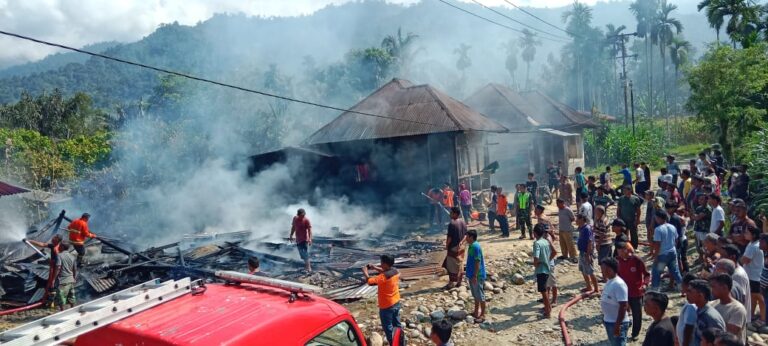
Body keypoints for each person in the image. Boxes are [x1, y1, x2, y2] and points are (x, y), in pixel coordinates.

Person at [363, 254, 401, 345]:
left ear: (385, 264)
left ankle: (393, 343)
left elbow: (370, 282)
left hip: (386, 305)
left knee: (388, 327)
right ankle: (401, 340)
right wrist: (374, 267)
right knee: (397, 324)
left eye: (381, 263)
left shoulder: (383, 277)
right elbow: (385, 271)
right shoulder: (395, 271)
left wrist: (365, 272)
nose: (380, 264)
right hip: (396, 301)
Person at [617, 241, 649, 340]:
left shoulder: (637, 260)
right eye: (618, 251)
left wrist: (645, 285)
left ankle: (635, 333)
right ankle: (624, 329)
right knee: (622, 311)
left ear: (627, 250)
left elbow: (647, 274)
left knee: (637, 314)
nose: (620, 253)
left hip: (636, 293)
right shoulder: (617, 261)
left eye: (622, 251)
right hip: (623, 293)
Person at [709, 273, 748, 345]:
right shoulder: (712, 304)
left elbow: (729, 336)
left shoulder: (737, 309)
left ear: (724, 287)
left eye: (713, 287)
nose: (711, 290)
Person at [650, 210, 683, 291]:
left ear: (658, 218)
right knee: (675, 272)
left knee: (657, 273)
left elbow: (658, 244)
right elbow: (676, 240)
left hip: (662, 255)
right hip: (672, 252)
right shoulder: (672, 227)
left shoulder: (658, 229)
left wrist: (655, 255)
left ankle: (655, 290)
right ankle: (682, 289)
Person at [686, 280, 726, 346]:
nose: (686, 294)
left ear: (700, 295)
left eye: (690, 291)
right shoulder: (698, 310)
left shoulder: (711, 317)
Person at [600, 257, 629, 346]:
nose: (602, 271)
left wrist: (617, 325)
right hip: (609, 321)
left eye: (604, 269)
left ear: (611, 269)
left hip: (616, 323)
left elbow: (623, 306)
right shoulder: (610, 281)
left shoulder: (619, 284)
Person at [714, 256, 752, 323]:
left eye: (716, 269)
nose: (714, 271)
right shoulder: (734, 283)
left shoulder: (726, 288)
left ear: (724, 271)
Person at [740, 225, 764, 326]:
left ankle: (763, 319)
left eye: (746, 233)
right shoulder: (753, 243)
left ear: (753, 235)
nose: (744, 234)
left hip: (755, 276)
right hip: (753, 275)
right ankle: (751, 314)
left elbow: (745, 260)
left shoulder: (754, 246)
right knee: (753, 296)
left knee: (759, 298)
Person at [465, 230, 487, 323]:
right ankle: (476, 311)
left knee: (480, 295)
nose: (466, 238)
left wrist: (474, 275)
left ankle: (483, 314)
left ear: (471, 237)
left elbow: (477, 261)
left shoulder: (475, 246)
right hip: (472, 274)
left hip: (477, 275)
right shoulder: (471, 246)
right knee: (475, 295)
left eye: (467, 236)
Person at [533, 224, 554, 318]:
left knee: (544, 292)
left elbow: (536, 257)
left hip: (541, 270)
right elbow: (553, 252)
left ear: (535, 233)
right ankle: (548, 309)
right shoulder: (545, 241)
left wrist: (536, 264)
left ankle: (547, 311)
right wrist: (547, 260)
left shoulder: (537, 243)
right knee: (545, 290)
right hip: (547, 268)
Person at [443, 207, 467, 289]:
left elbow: (449, 237)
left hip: (454, 247)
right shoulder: (463, 221)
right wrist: (461, 242)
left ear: (455, 214)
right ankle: (459, 281)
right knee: (460, 263)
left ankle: (451, 283)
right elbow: (466, 235)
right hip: (462, 247)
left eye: (451, 212)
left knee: (451, 265)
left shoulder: (452, 223)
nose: (450, 214)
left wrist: (446, 245)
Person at [577, 214, 598, 293]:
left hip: (586, 253)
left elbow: (590, 242)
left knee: (590, 271)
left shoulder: (587, 229)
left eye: (577, 219)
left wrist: (588, 255)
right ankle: (588, 287)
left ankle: (596, 289)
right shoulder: (581, 228)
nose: (576, 221)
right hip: (582, 252)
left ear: (581, 219)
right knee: (583, 270)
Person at [667, 202, 689, 274]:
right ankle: (682, 273)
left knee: (677, 259)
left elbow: (674, 233)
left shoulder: (674, 218)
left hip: (678, 241)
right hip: (681, 239)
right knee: (681, 258)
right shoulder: (676, 217)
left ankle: (680, 274)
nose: (667, 210)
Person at [54, 243, 77, 311]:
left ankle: (62, 312)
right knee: (72, 297)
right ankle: (73, 311)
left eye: (60, 246)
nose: (59, 247)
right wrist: (74, 278)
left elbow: (58, 267)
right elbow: (75, 268)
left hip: (62, 280)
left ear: (63, 247)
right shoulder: (72, 256)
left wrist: (54, 278)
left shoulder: (59, 255)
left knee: (61, 298)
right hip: (71, 279)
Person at [289, 208, 313, 273]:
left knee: (305, 253)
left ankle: (308, 268)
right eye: (301, 215)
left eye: (304, 215)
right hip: (298, 239)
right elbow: (293, 227)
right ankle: (306, 266)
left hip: (304, 239)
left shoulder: (306, 220)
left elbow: (309, 230)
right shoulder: (295, 218)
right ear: (298, 215)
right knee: (302, 254)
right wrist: (291, 235)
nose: (303, 216)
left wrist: (310, 239)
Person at [678, 273, 699, 346]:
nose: (681, 286)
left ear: (687, 286)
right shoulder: (690, 301)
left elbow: (689, 328)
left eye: (682, 283)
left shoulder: (691, 306)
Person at [693, 193, 713, 258]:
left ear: (706, 200)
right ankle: (701, 258)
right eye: (699, 199)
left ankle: (706, 260)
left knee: (705, 247)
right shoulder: (699, 208)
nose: (700, 201)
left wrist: (694, 216)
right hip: (697, 229)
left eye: (702, 199)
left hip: (704, 231)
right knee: (698, 246)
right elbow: (693, 217)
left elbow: (697, 217)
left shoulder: (707, 209)